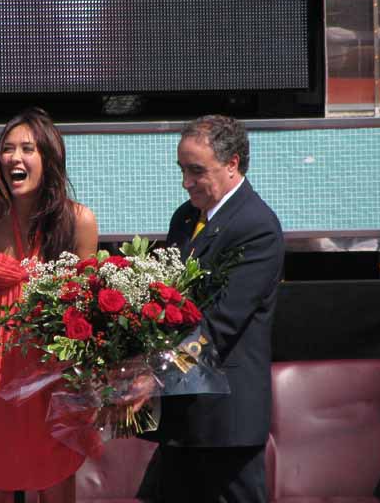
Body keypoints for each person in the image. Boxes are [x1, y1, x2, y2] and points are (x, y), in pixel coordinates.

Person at [0, 108, 98, 503]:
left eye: (27, 148)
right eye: (7, 149)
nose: (14, 158)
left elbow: (87, 312)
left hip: (51, 377)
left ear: (49, 158)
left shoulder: (78, 221)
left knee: (55, 483)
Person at [152, 115, 284, 502]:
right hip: (183, 414)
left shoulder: (256, 226)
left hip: (226, 419)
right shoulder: (186, 216)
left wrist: (156, 374)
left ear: (232, 164)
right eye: (182, 170)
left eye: (196, 171)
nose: (186, 182)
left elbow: (220, 324)